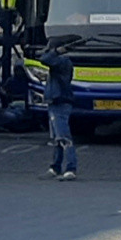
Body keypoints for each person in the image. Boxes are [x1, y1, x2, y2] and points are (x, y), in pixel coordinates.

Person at [42, 44, 78, 179]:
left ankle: (70, 168)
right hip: (55, 102)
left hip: (60, 102)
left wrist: (55, 51)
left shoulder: (62, 62)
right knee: (57, 139)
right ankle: (55, 167)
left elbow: (44, 59)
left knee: (64, 137)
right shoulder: (61, 62)